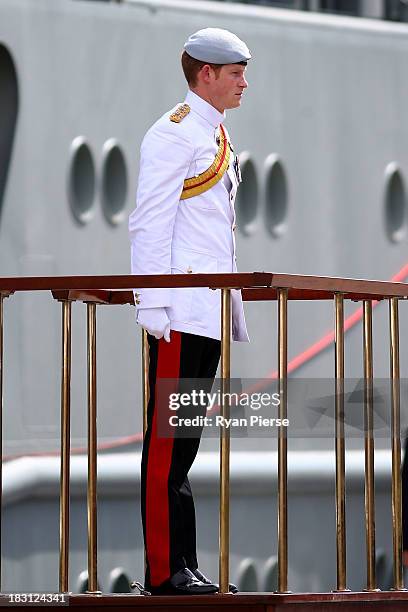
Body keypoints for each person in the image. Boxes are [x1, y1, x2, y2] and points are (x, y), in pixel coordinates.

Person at [129, 27, 251, 596]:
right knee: (167, 448)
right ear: (207, 73)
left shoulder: (216, 133)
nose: (242, 82)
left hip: (207, 311)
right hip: (178, 311)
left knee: (186, 445)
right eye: (235, 73)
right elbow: (149, 221)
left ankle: (184, 563)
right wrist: (152, 303)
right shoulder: (173, 135)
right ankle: (162, 570)